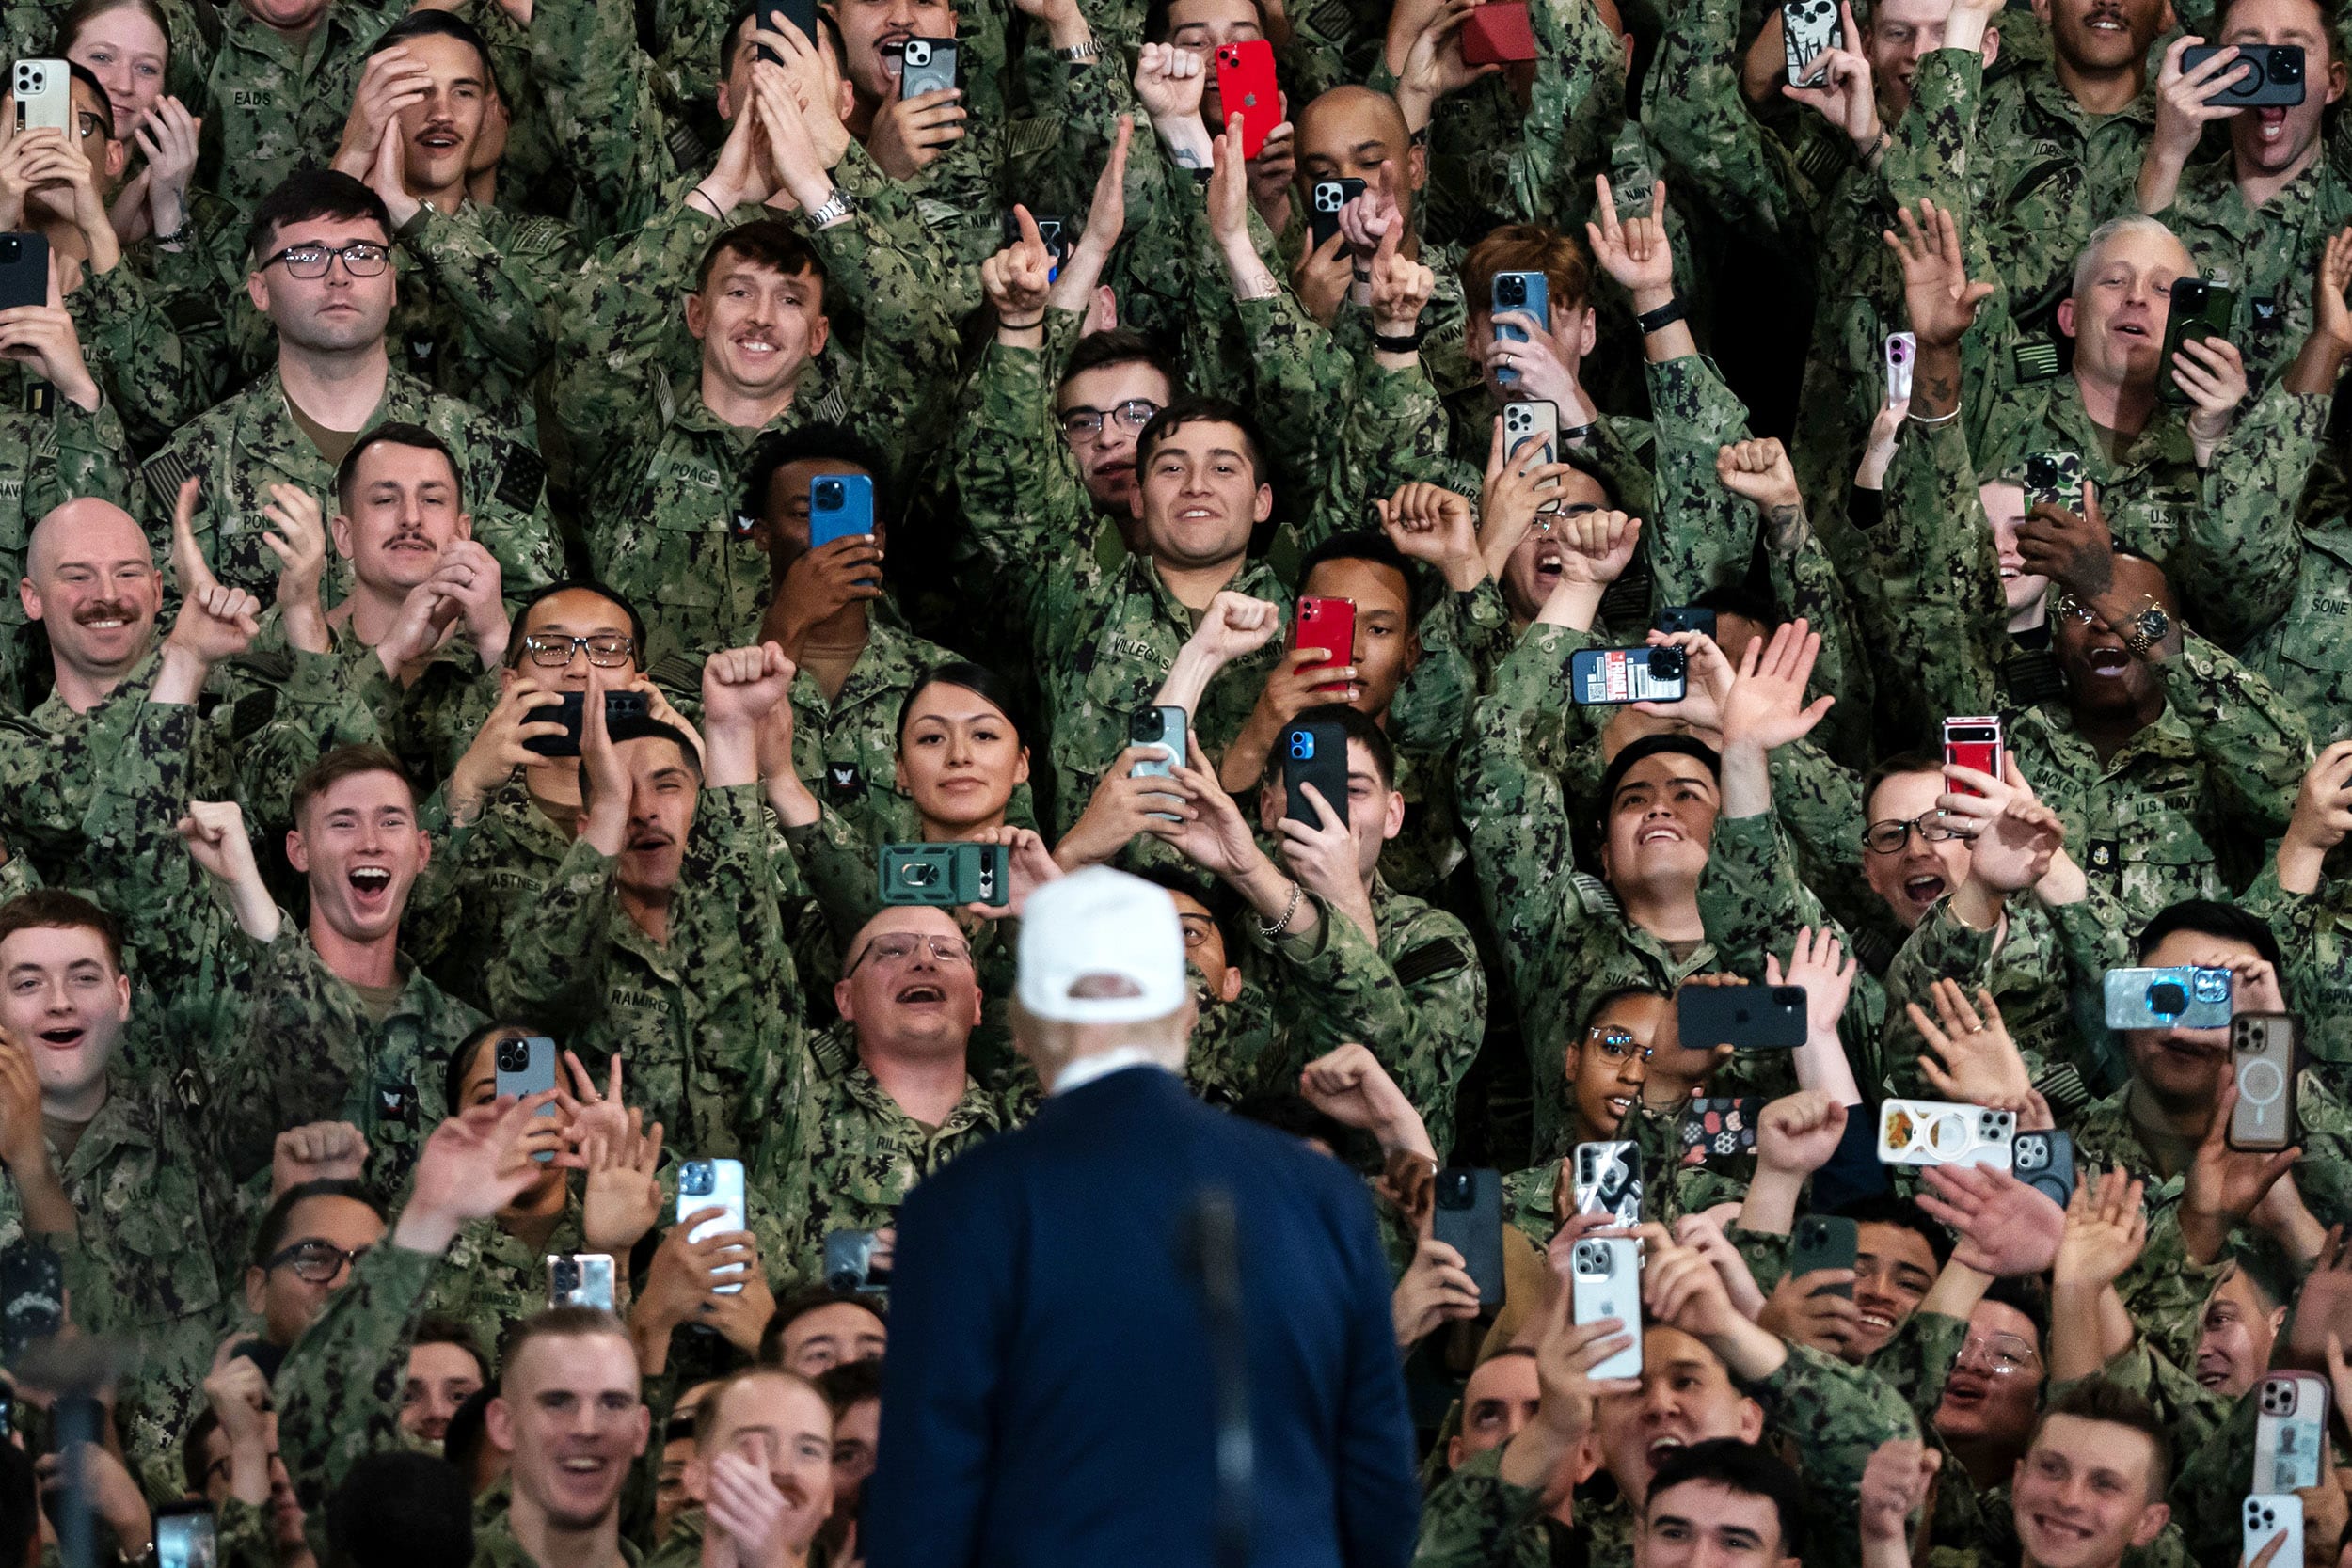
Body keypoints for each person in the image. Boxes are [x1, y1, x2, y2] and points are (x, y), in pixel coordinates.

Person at [864, 865, 1421, 1564]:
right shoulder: (1326, 1196)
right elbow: (1382, 1506)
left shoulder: (959, 1210)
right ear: (1183, 1015)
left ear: (1021, 1023)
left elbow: (922, 1520)